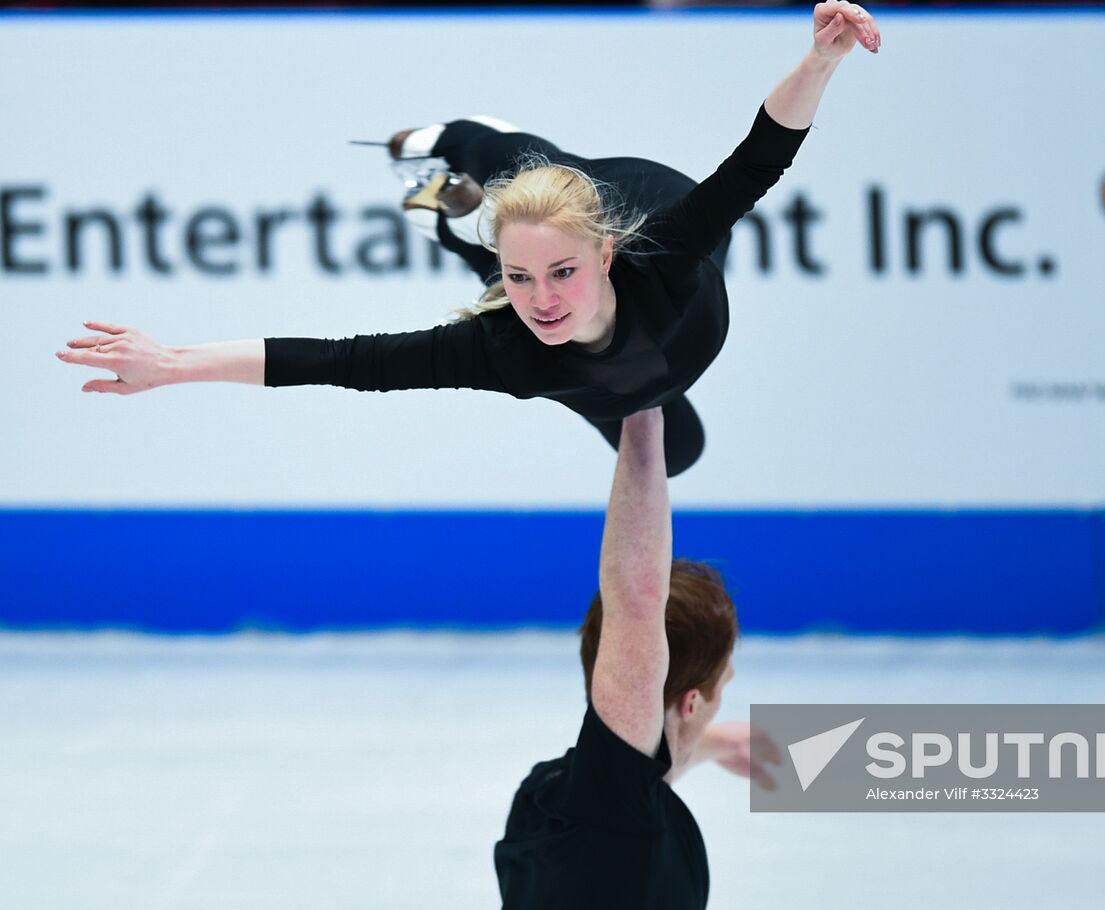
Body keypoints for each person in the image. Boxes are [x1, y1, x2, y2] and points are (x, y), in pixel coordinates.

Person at [57, 2, 882, 475]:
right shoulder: (508, 347)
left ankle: (461, 141)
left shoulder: (659, 260)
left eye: (560, 275)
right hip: (598, 325)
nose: (543, 302)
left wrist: (821, 59)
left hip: (639, 199)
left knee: (548, 176)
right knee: (669, 445)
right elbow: (343, 362)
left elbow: (756, 161)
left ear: (602, 259)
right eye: (523, 284)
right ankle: (463, 224)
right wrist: (174, 365)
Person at [492, 405, 780, 908]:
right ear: (690, 703)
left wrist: (709, 744)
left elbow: (634, 767)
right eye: (722, 688)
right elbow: (637, 598)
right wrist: (641, 407)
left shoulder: (550, 794)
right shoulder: (622, 829)